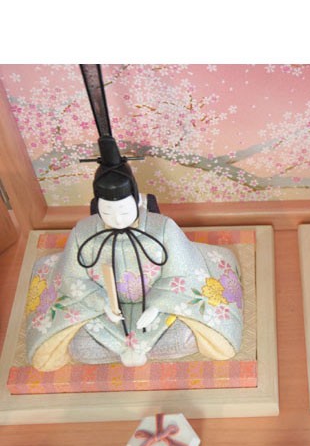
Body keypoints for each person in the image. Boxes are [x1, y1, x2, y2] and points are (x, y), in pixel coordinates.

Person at [26, 137, 243, 370]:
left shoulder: (162, 228)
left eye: (123, 211)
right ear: (97, 205)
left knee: (184, 339)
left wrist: (156, 306)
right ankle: (121, 344)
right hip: (104, 314)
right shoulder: (83, 233)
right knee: (81, 348)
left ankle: (144, 340)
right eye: (108, 212)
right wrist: (102, 304)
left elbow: (183, 272)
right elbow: (73, 280)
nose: (117, 220)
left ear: (137, 200)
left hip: (160, 308)